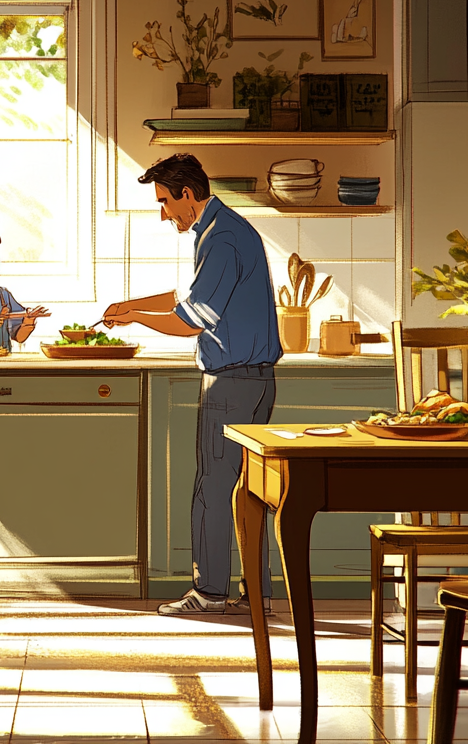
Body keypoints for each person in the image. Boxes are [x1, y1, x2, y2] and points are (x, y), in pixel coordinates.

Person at [103, 154, 282, 616]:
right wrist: (130, 305)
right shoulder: (223, 229)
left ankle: (210, 593)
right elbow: (187, 296)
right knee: (250, 491)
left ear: (187, 195)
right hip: (257, 380)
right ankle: (255, 594)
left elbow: (190, 320)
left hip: (232, 382)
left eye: (165, 202)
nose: (163, 213)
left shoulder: (221, 238)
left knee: (212, 486)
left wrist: (137, 319)